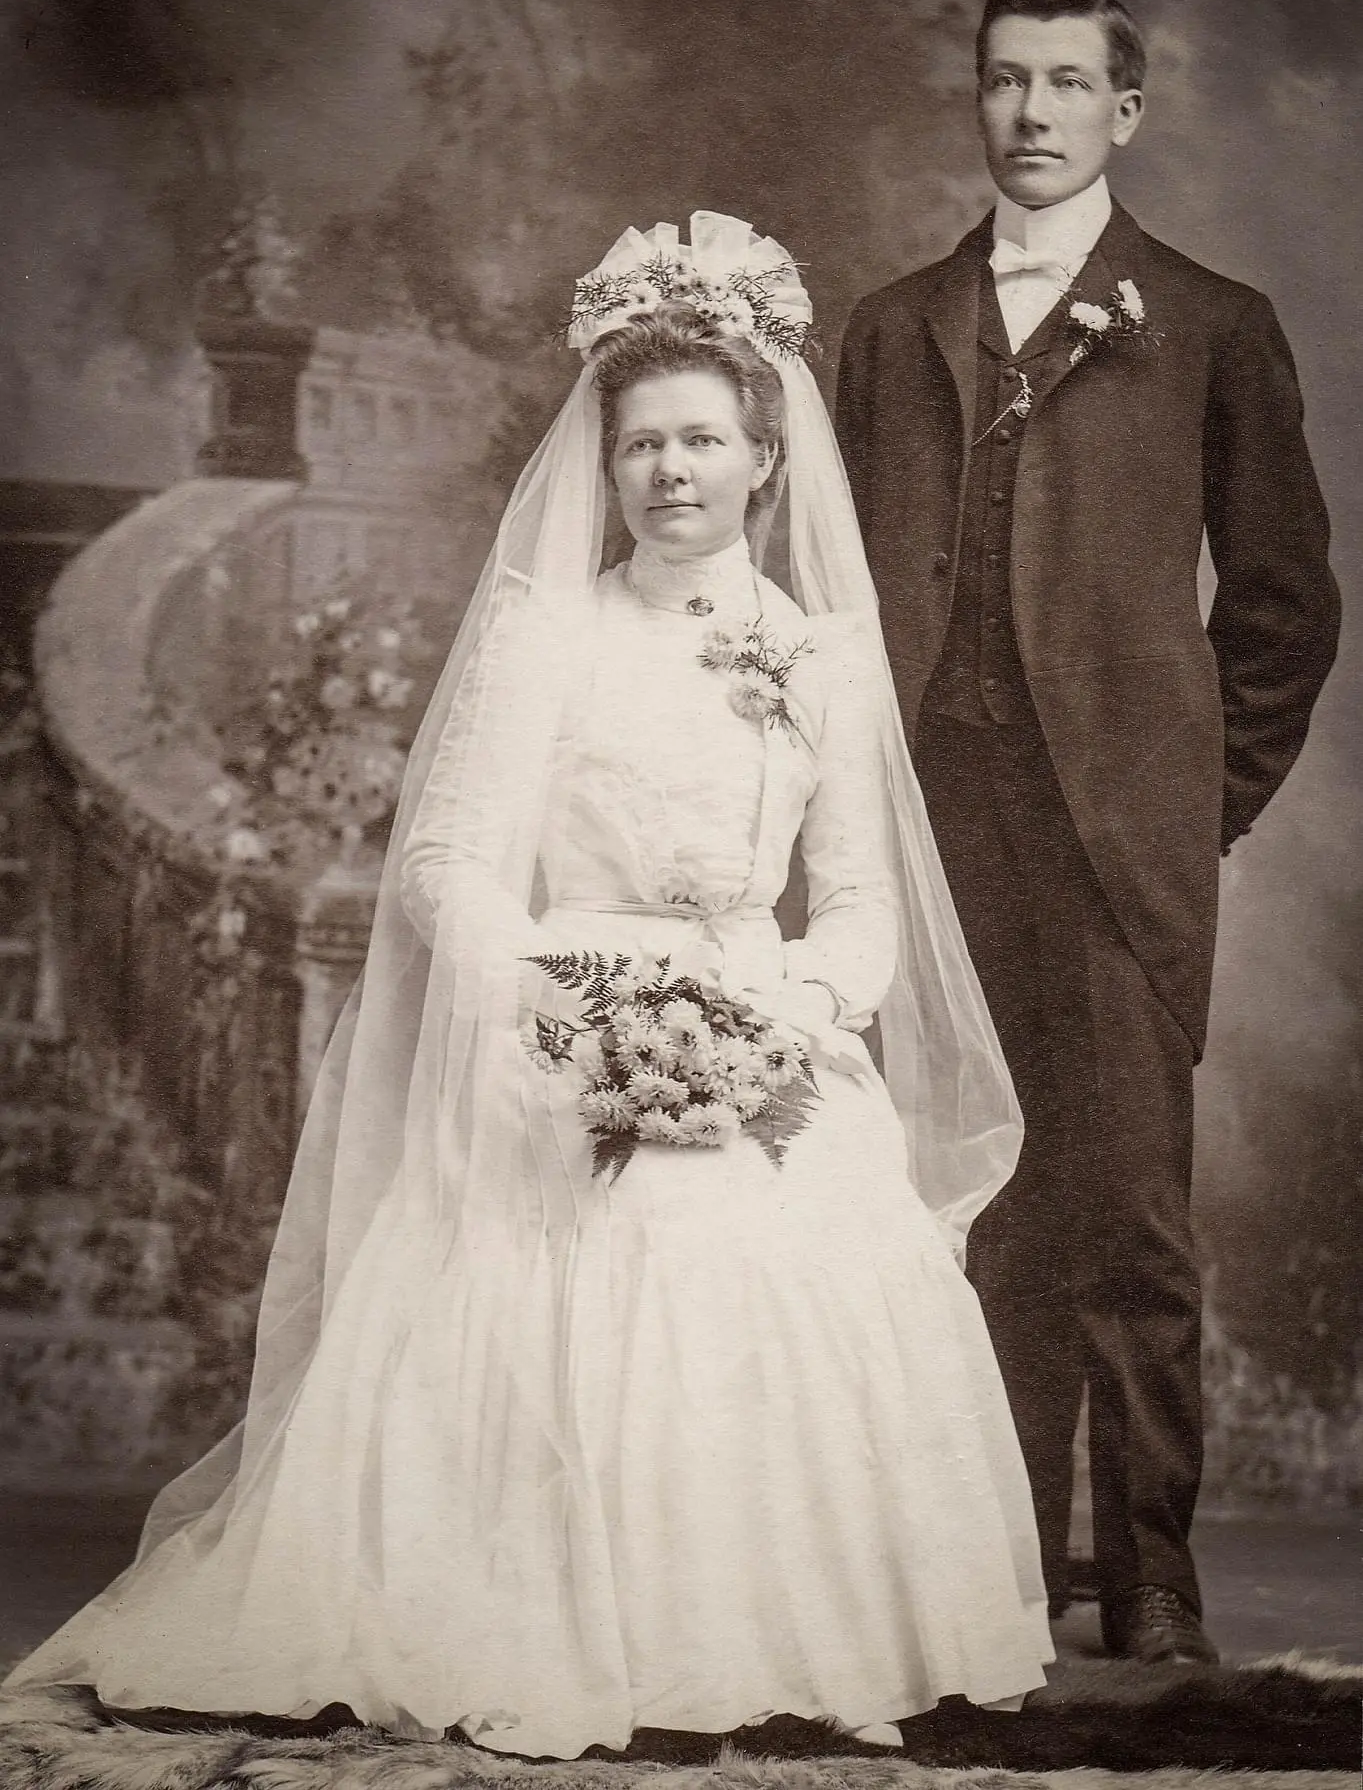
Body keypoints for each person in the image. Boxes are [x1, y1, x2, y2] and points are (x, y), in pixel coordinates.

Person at [5, 213, 1054, 1758]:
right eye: (641, 445)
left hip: (757, 1022)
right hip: (563, 1013)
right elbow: (446, 869)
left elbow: (854, 903)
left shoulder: (817, 653)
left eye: (703, 440)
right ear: (605, 459)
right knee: (578, 1243)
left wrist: (792, 1018)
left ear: (765, 456)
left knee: (793, 1242)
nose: (671, 472)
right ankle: (537, 1619)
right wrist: (562, 1006)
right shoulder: (543, 630)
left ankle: (756, 1633)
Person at [836, 0, 1340, 1665]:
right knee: (974, 1210)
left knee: (1124, 1220)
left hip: (1120, 851)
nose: (1032, 113)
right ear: (972, 105)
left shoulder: (1207, 319)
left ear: (1126, 111)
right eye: (1003, 82)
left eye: (1067, 85)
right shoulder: (894, 328)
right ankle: (985, 1569)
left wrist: (1189, 809)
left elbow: (1281, 608)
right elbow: (834, 596)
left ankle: (1150, 1589)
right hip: (932, 832)